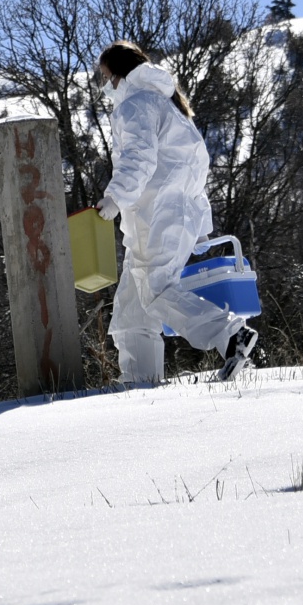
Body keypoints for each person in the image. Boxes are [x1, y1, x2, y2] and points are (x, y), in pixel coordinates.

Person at [96, 41, 258, 383]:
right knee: (132, 303)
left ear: (120, 74)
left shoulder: (136, 104)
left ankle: (229, 334)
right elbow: (196, 169)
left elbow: (139, 159)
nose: (105, 84)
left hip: (156, 215)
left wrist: (114, 198)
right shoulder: (170, 108)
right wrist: (200, 224)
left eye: (107, 76)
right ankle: (139, 380)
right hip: (169, 217)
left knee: (155, 289)